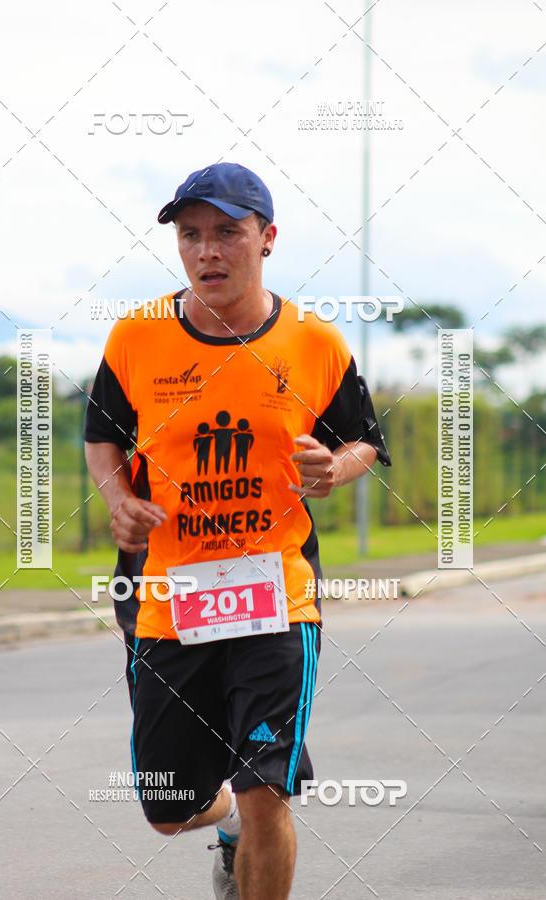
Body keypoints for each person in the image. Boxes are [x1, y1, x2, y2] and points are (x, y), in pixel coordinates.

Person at [84, 162, 391, 899]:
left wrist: (334, 469)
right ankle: (220, 824)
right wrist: (117, 496)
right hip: (167, 595)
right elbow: (102, 435)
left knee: (266, 793)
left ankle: (250, 815)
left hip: (275, 593)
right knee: (168, 806)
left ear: (268, 239)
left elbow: (365, 441)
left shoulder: (314, 343)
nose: (207, 251)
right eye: (191, 235)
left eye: (228, 232)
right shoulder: (138, 337)